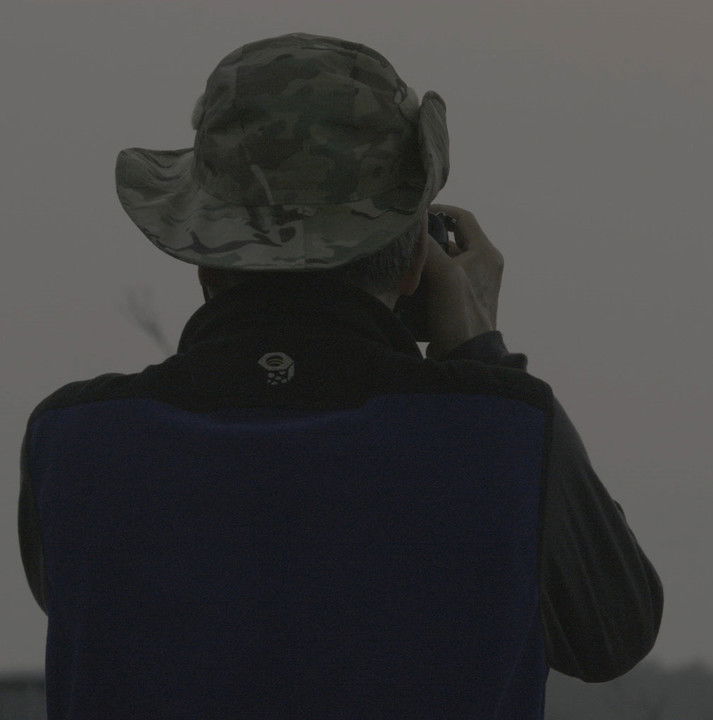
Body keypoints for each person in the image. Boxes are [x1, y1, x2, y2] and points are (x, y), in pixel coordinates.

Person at [16, 32, 662, 719]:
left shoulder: (76, 443)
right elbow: (609, 639)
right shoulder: (503, 437)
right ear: (415, 267)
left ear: (203, 258)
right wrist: (478, 356)